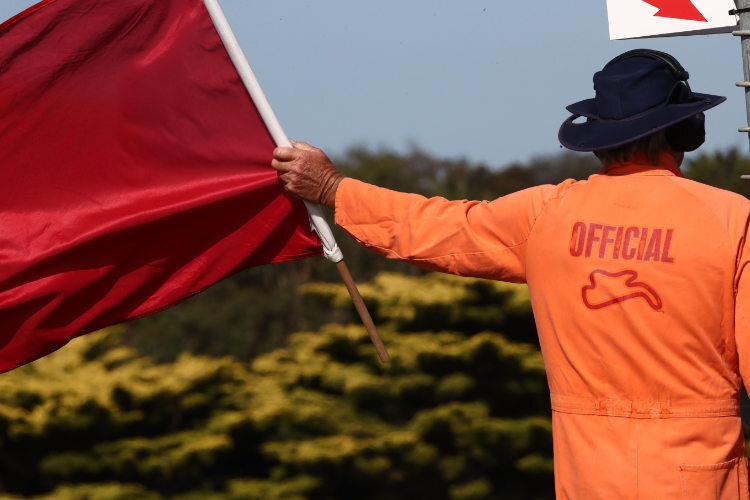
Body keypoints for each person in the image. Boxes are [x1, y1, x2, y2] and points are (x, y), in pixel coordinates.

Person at [271, 49, 750, 499]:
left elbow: (436, 227)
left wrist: (334, 188)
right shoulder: (732, 220)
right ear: (686, 131)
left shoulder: (544, 215)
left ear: (597, 136)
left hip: (588, 473)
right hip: (702, 475)